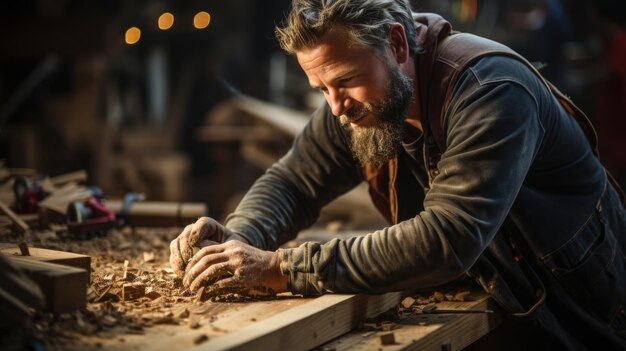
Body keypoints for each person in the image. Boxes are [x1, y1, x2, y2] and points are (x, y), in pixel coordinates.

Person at [169, 0, 626, 349]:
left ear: (398, 44)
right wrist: (240, 239)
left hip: (578, 304)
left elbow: (448, 238)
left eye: (345, 81)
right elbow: (294, 181)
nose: (335, 106)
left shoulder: (490, 91)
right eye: (321, 88)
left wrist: (281, 267)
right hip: (504, 288)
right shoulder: (355, 94)